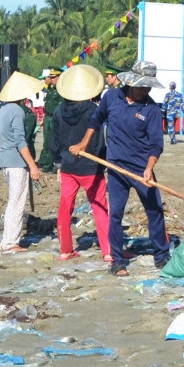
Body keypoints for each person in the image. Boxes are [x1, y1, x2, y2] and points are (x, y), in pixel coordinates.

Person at [69, 60, 169, 276]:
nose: (146, 90)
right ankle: (116, 259)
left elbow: (156, 144)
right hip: (116, 167)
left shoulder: (151, 109)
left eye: (148, 86)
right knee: (115, 213)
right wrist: (84, 143)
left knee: (155, 210)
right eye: (142, 86)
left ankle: (162, 254)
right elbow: (96, 120)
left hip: (143, 170)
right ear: (131, 82)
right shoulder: (112, 97)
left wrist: (150, 167)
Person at [50, 65, 111, 263]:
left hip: (68, 165)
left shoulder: (59, 110)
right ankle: (108, 251)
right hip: (90, 166)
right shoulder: (94, 110)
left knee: (65, 207)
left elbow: (55, 139)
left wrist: (58, 163)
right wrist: (104, 165)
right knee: (99, 206)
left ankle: (65, 250)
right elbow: (99, 141)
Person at [0, 72, 44, 253]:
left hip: (6, 160)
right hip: (16, 162)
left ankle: (8, 240)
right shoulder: (17, 111)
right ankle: (10, 243)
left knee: (13, 201)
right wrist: (33, 165)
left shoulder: (4, 110)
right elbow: (20, 141)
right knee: (17, 202)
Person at [37, 67, 64, 174]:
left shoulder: (61, 90)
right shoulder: (51, 89)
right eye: (50, 77)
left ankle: (53, 165)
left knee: (54, 142)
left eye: (53, 77)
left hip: (55, 118)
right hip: (48, 117)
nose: (51, 79)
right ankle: (47, 163)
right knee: (47, 142)